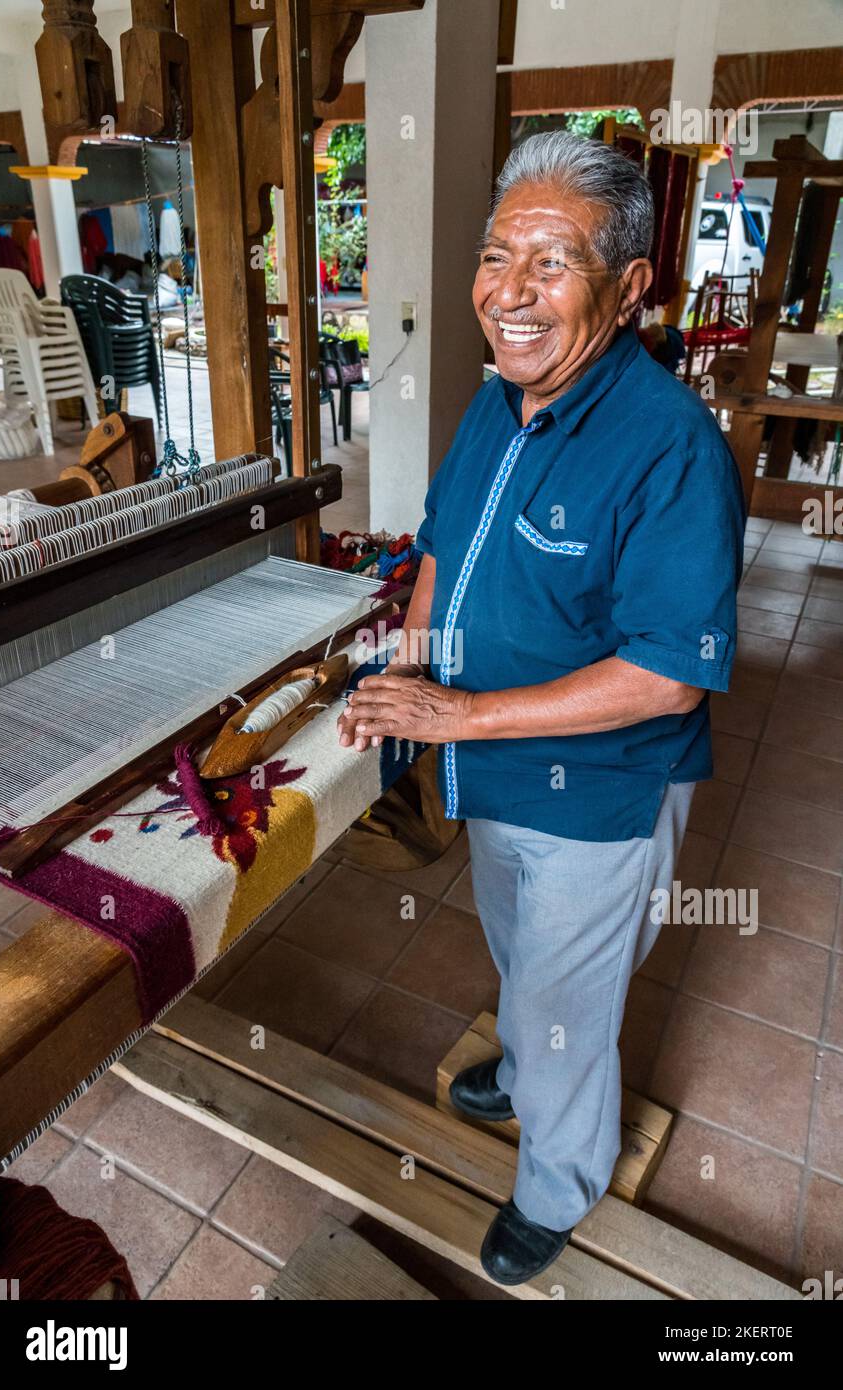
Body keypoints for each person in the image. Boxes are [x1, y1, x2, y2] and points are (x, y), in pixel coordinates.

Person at [337, 130, 744, 1286]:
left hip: (601, 792)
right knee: (521, 953)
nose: (507, 291)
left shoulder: (668, 446)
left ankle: (558, 1181)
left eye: (552, 261)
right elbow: (440, 550)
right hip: (500, 770)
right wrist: (408, 672)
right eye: (494, 252)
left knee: (569, 996)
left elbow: (666, 672)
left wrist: (459, 718)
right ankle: (517, 1073)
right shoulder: (494, 403)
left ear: (630, 287)